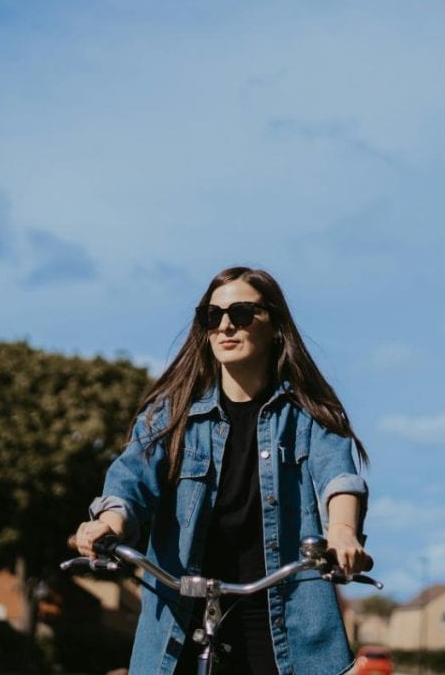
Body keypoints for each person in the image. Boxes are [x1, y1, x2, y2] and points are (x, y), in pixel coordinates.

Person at [75, 266, 371, 675]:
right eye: (213, 317)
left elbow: (337, 476)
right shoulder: (171, 415)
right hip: (180, 617)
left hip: (284, 619)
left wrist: (341, 532)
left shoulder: (310, 416)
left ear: (276, 326)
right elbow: (132, 480)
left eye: (243, 313)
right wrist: (108, 523)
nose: (226, 325)